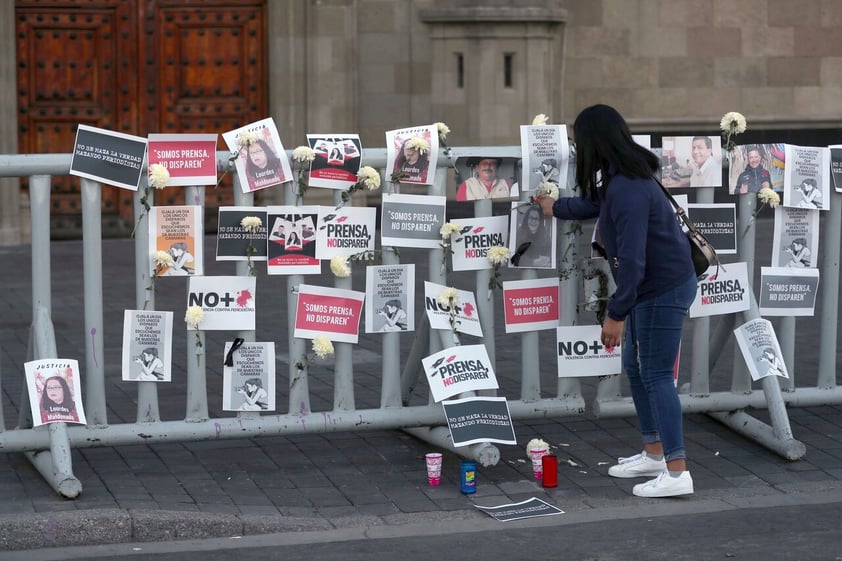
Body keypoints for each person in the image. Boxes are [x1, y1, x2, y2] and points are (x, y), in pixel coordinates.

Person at [536, 104, 697, 498]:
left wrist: (615, 314)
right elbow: (594, 205)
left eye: (578, 141)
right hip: (653, 286)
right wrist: (554, 206)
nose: (576, 149)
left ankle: (677, 473)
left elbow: (635, 262)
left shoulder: (626, 187)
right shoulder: (621, 176)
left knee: (657, 374)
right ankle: (654, 453)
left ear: (594, 142)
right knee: (636, 367)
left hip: (661, 287)